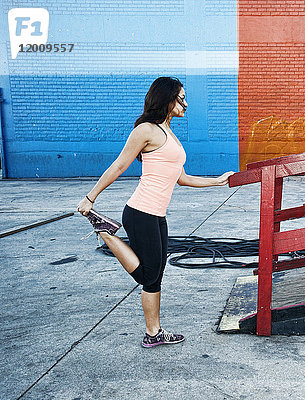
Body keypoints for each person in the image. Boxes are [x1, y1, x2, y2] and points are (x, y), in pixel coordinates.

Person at [77, 77, 235, 348]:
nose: (186, 103)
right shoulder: (146, 130)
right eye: (181, 98)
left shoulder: (169, 133)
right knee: (148, 275)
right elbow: (118, 166)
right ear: (167, 99)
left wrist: (217, 181)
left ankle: (154, 333)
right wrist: (90, 198)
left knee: (155, 276)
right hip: (140, 213)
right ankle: (104, 231)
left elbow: (181, 177)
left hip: (156, 215)